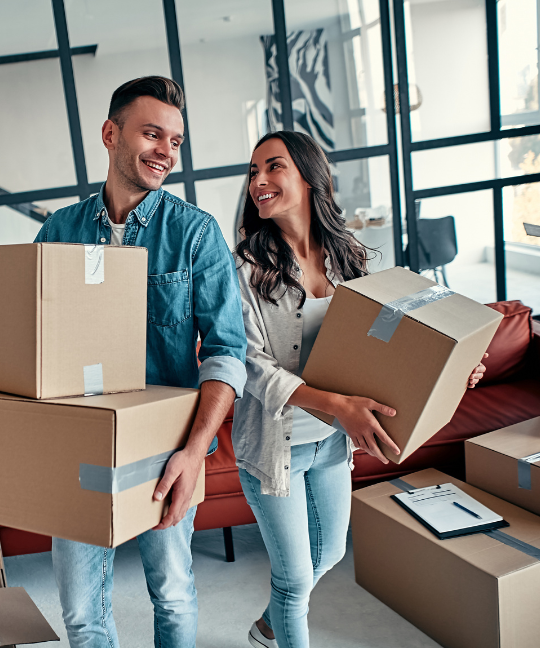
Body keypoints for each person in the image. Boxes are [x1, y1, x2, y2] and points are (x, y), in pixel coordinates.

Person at [232, 131, 488, 648]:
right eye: (253, 171)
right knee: (296, 578)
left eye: (273, 167)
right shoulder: (245, 270)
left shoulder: (348, 259)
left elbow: (388, 347)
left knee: (326, 555)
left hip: (330, 441)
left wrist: (450, 365)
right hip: (272, 448)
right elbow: (249, 365)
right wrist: (335, 405)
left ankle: (268, 627)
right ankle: (283, 627)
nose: (259, 181)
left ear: (308, 176)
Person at [33, 76, 247, 648]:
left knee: (173, 596)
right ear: (110, 133)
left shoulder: (196, 235)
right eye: (152, 134)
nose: (166, 152)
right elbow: (32, 344)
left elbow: (228, 353)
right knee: (80, 612)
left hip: (164, 451)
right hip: (77, 444)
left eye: (175, 141)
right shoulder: (58, 232)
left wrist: (195, 453)